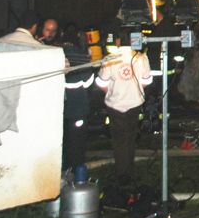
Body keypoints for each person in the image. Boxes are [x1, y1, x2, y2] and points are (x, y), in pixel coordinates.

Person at [96, 34, 152, 182]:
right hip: (134, 104)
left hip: (115, 105)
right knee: (131, 137)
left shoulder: (110, 59)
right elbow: (146, 80)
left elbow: (102, 82)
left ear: (119, 41)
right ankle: (129, 171)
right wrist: (135, 90)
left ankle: (122, 174)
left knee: (119, 139)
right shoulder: (141, 58)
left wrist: (113, 92)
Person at [60, 23, 94, 174]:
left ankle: (62, 171)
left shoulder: (56, 53)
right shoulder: (81, 55)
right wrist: (90, 61)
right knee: (77, 144)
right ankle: (76, 173)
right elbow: (87, 82)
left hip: (61, 108)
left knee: (63, 142)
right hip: (78, 108)